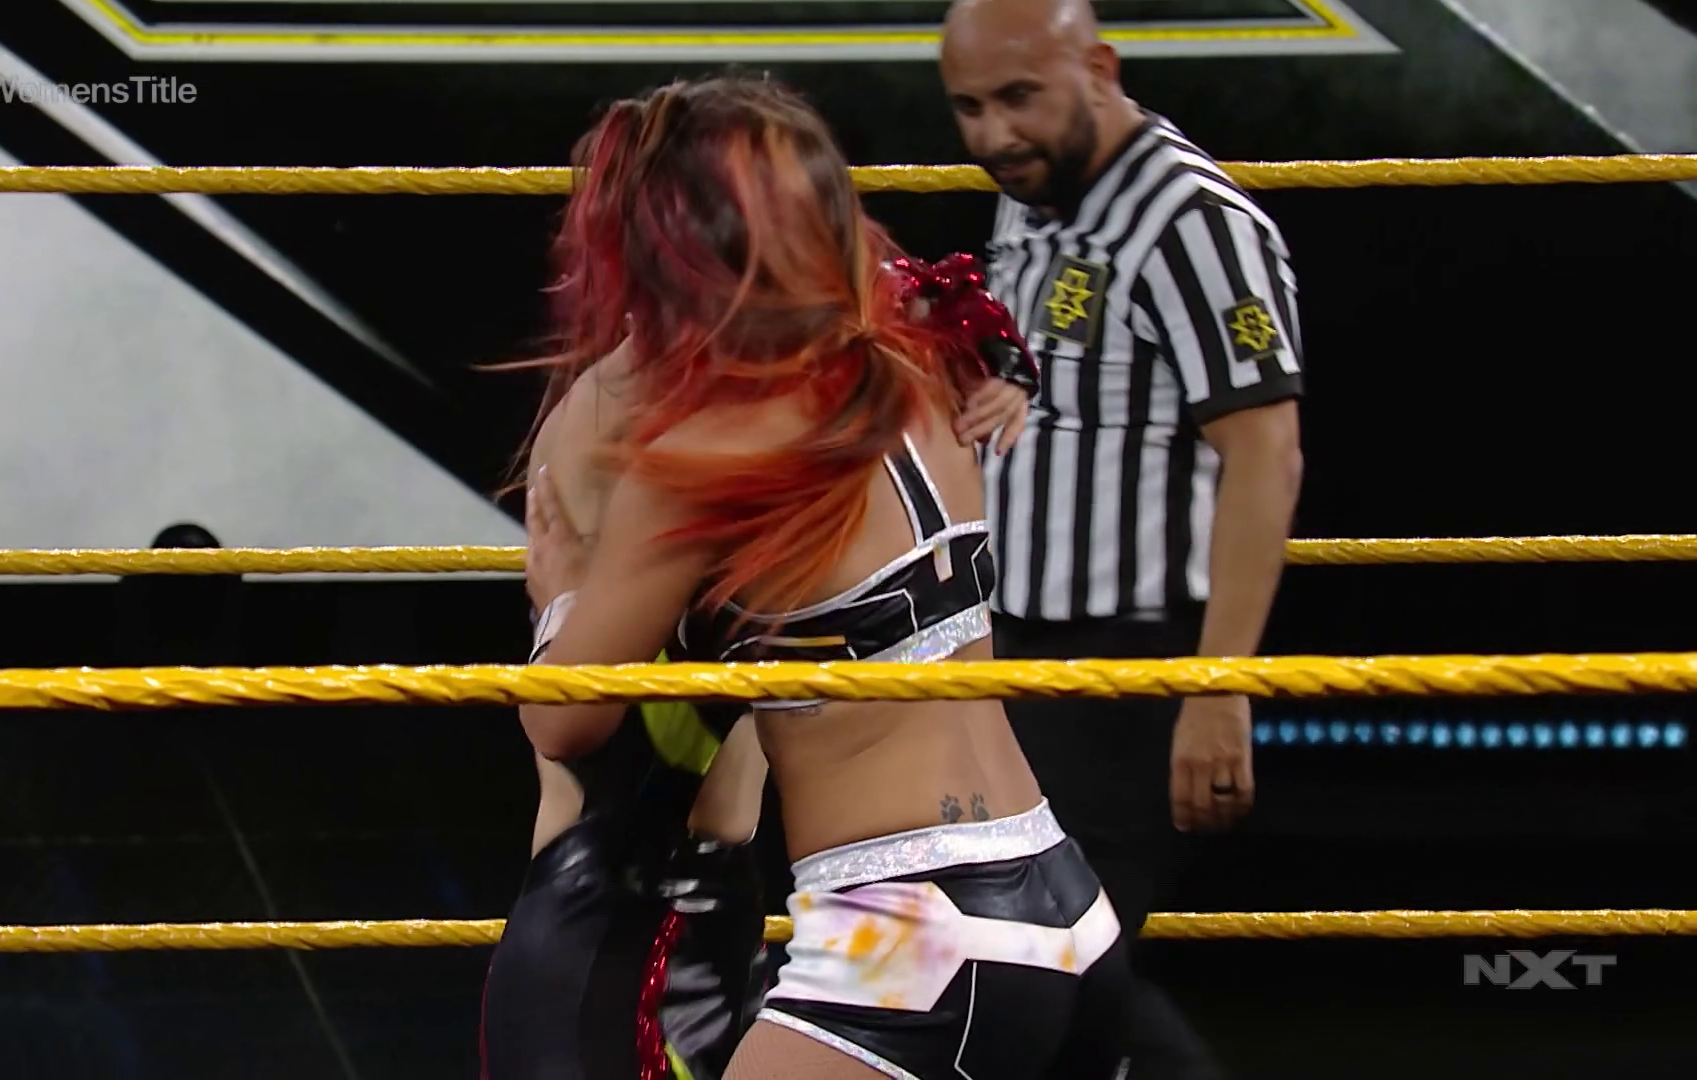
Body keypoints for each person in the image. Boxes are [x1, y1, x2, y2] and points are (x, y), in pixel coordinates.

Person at [516, 72, 1132, 1080]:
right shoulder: (922, 368)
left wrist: (565, 593)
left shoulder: (708, 453)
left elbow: (564, 718)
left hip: (915, 937)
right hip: (1068, 902)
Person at [938, 1, 1308, 1076]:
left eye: (1019, 97)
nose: (995, 133)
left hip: (1129, 665)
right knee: (1029, 974)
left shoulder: (1195, 224)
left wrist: (1217, 685)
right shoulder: (1032, 192)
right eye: (969, 106)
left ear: (1099, 68)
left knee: (1043, 969)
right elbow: (1049, 376)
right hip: (1017, 652)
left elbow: (1266, 455)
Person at [480, 336, 775, 1080]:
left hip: (692, 921)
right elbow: (576, 728)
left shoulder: (738, 405)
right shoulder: (625, 410)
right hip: (625, 923)